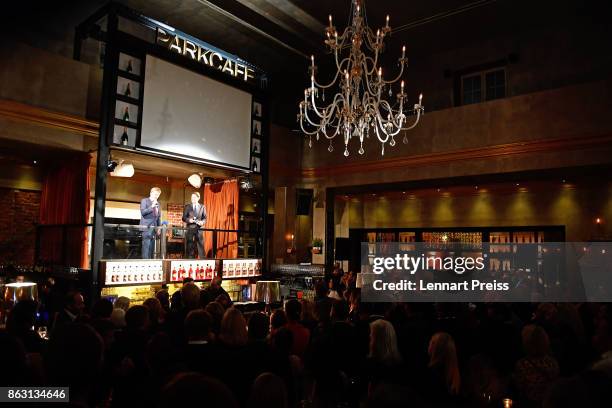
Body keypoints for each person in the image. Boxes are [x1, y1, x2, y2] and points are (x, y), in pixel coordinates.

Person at [182, 192, 207, 259]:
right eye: (192, 197)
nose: (192, 198)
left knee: (200, 244)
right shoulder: (187, 206)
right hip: (190, 228)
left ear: (198, 198)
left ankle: (203, 260)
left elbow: (205, 218)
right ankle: (190, 260)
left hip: (199, 228)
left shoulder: (202, 206)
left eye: (194, 197)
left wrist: (202, 222)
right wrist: (189, 220)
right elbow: (184, 218)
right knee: (190, 244)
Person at [140, 187, 162, 259]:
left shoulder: (158, 204)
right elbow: (143, 212)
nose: (157, 196)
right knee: (146, 249)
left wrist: (159, 228)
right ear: (151, 193)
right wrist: (152, 206)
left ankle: (151, 265)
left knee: (151, 250)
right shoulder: (144, 201)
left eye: (158, 195)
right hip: (146, 228)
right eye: (155, 194)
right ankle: (145, 266)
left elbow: (158, 217)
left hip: (154, 229)